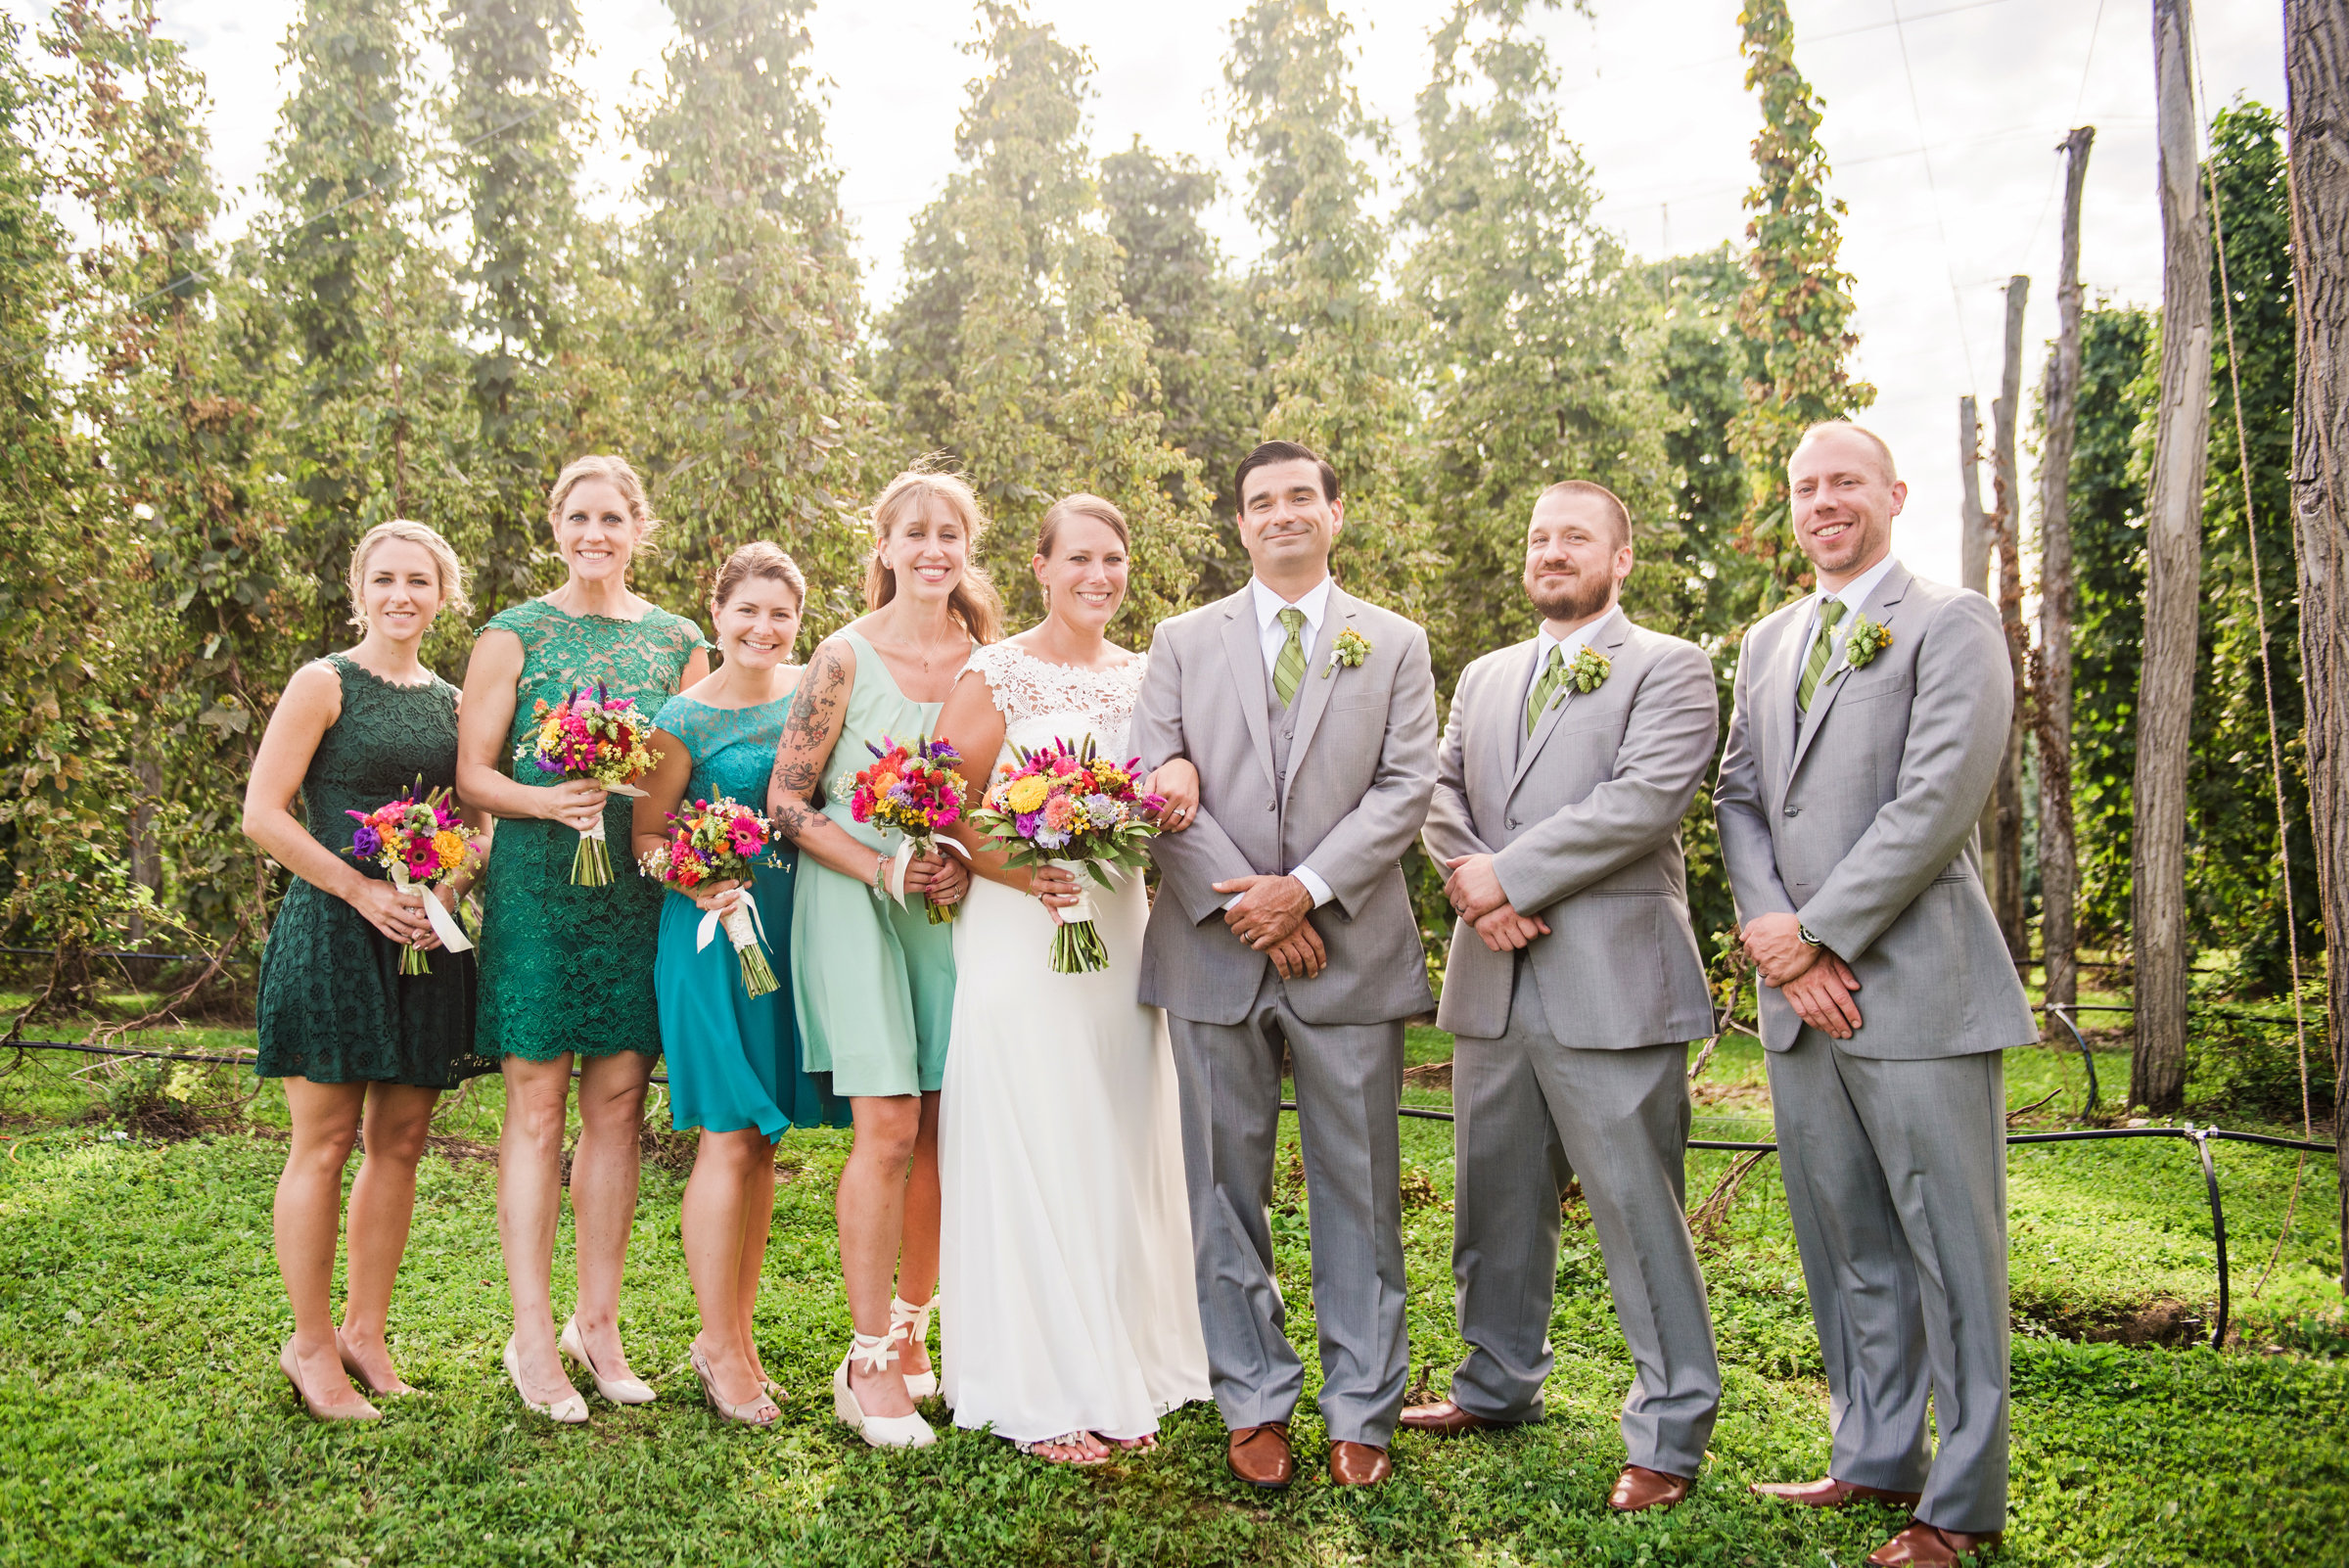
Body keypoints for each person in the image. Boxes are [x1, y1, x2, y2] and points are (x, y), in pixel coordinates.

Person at [1715, 422, 2033, 1568]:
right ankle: (1871, 1454)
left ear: (1894, 492)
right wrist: (1775, 939)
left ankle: (1962, 1502)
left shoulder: (1950, 623)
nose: (1823, 501)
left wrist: (1817, 934)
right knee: (1846, 1238)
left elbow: (1939, 797)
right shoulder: (1766, 640)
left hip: (1918, 987)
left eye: (1844, 481)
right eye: (1805, 487)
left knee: (1953, 1251)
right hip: (1802, 997)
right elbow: (1738, 797)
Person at [1129, 439, 1439, 1491]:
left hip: (1344, 952)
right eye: (1261, 502)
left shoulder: (1394, 643)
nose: (1282, 514)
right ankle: (1253, 1398)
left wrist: (1302, 891)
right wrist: (1253, 908)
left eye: (1301, 497)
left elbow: (1406, 790)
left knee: (1359, 1186)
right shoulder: (1177, 641)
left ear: (1335, 514)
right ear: (1241, 523)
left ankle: (1362, 1407)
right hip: (1214, 953)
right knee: (1223, 1188)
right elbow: (1151, 783)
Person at [1410, 482, 1723, 1511]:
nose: (1552, 551)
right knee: (1495, 1200)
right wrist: (1475, 889)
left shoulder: (1672, 667)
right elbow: (1439, 795)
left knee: (1638, 1214)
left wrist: (1509, 879)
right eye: (1539, 535)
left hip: (1614, 982)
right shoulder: (1488, 675)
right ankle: (1496, 1384)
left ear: (1619, 559)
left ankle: (1670, 1432)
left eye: (1574, 537)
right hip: (1494, 976)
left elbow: (1642, 800)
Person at [933, 494, 1212, 1465]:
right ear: (1041, 566)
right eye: (1080, 558)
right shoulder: (994, 674)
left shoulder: (1151, 678)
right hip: (1020, 927)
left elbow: (1175, 789)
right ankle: (1035, 1383)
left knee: (1117, 1124)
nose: (1099, 576)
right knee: (1033, 1122)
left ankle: (1125, 1357)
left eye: (1115, 559)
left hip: (1121, 928)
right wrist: (1026, 867)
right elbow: (946, 808)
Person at [457, 455, 710, 1423]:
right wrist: (543, 798)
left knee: (616, 1110)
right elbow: (474, 774)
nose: (594, 532)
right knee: (535, 1110)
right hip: (538, 892)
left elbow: (689, 773)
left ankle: (595, 1326)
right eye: (577, 516)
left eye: (612, 516)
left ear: (639, 526)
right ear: (554, 526)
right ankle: (531, 1338)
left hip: (632, 897)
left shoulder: (680, 642)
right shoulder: (510, 636)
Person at [244, 520, 494, 1420]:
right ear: (360, 590)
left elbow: (478, 822)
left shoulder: (456, 702)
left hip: (422, 941)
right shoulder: (324, 683)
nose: (402, 595)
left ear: (441, 594)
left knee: (399, 1143)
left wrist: (445, 890)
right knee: (322, 1141)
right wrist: (360, 892)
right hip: (333, 931)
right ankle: (308, 1345)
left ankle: (365, 1332)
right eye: (384, 579)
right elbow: (264, 815)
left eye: (419, 581)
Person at [768, 468, 985, 1450]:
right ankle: (864, 1362)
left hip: (943, 909)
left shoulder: (990, 663)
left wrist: (955, 865)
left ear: (966, 548)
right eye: (915, 533)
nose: (933, 549)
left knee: (940, 1123)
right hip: (853, 902)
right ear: (887, 545)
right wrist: (882, 869)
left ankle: (911, 1330)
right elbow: (787, 802)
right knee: (889, 1127)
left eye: (950, 534)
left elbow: (990, 803)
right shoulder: (841, 657)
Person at [632, 542, 849, 1428]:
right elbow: (645, 835)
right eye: (747, 612)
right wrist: (695, 876)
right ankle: (717, 1349)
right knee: (728, 1133)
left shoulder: (817, 697)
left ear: (799, 623)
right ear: (715, 614)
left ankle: (739, 1336)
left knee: (765, 1139)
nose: (763, 629)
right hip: (711, 935)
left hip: (796, 934)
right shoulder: (678, 719)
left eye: (781, 615)